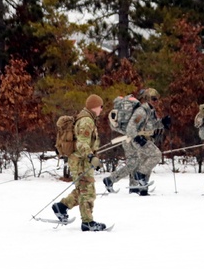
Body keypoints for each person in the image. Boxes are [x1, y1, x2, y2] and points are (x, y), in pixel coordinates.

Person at [53, 94, 107, 231]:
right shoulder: (87, 121)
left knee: (82, 190)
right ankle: (88, 222)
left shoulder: (86, 118)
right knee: (87, 192)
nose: (101, 109)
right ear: (95, 106)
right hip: (81, 161)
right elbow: (82, 143)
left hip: (80, 160)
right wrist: (91, 157)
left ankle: (61, 206)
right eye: (101, 106)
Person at [103, 87, 166, 196]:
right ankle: (141, 183)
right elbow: (131, 128)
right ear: (147, 99)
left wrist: (162, 123)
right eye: (154, 99)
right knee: (151, 158)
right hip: (133, 139)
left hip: (132, 139)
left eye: (157, 99)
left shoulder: (149, 111)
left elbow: (151, 125)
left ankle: (115, 181)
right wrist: (138, 139)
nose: (157, 101)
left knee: (133, 164)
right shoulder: (141, 111)